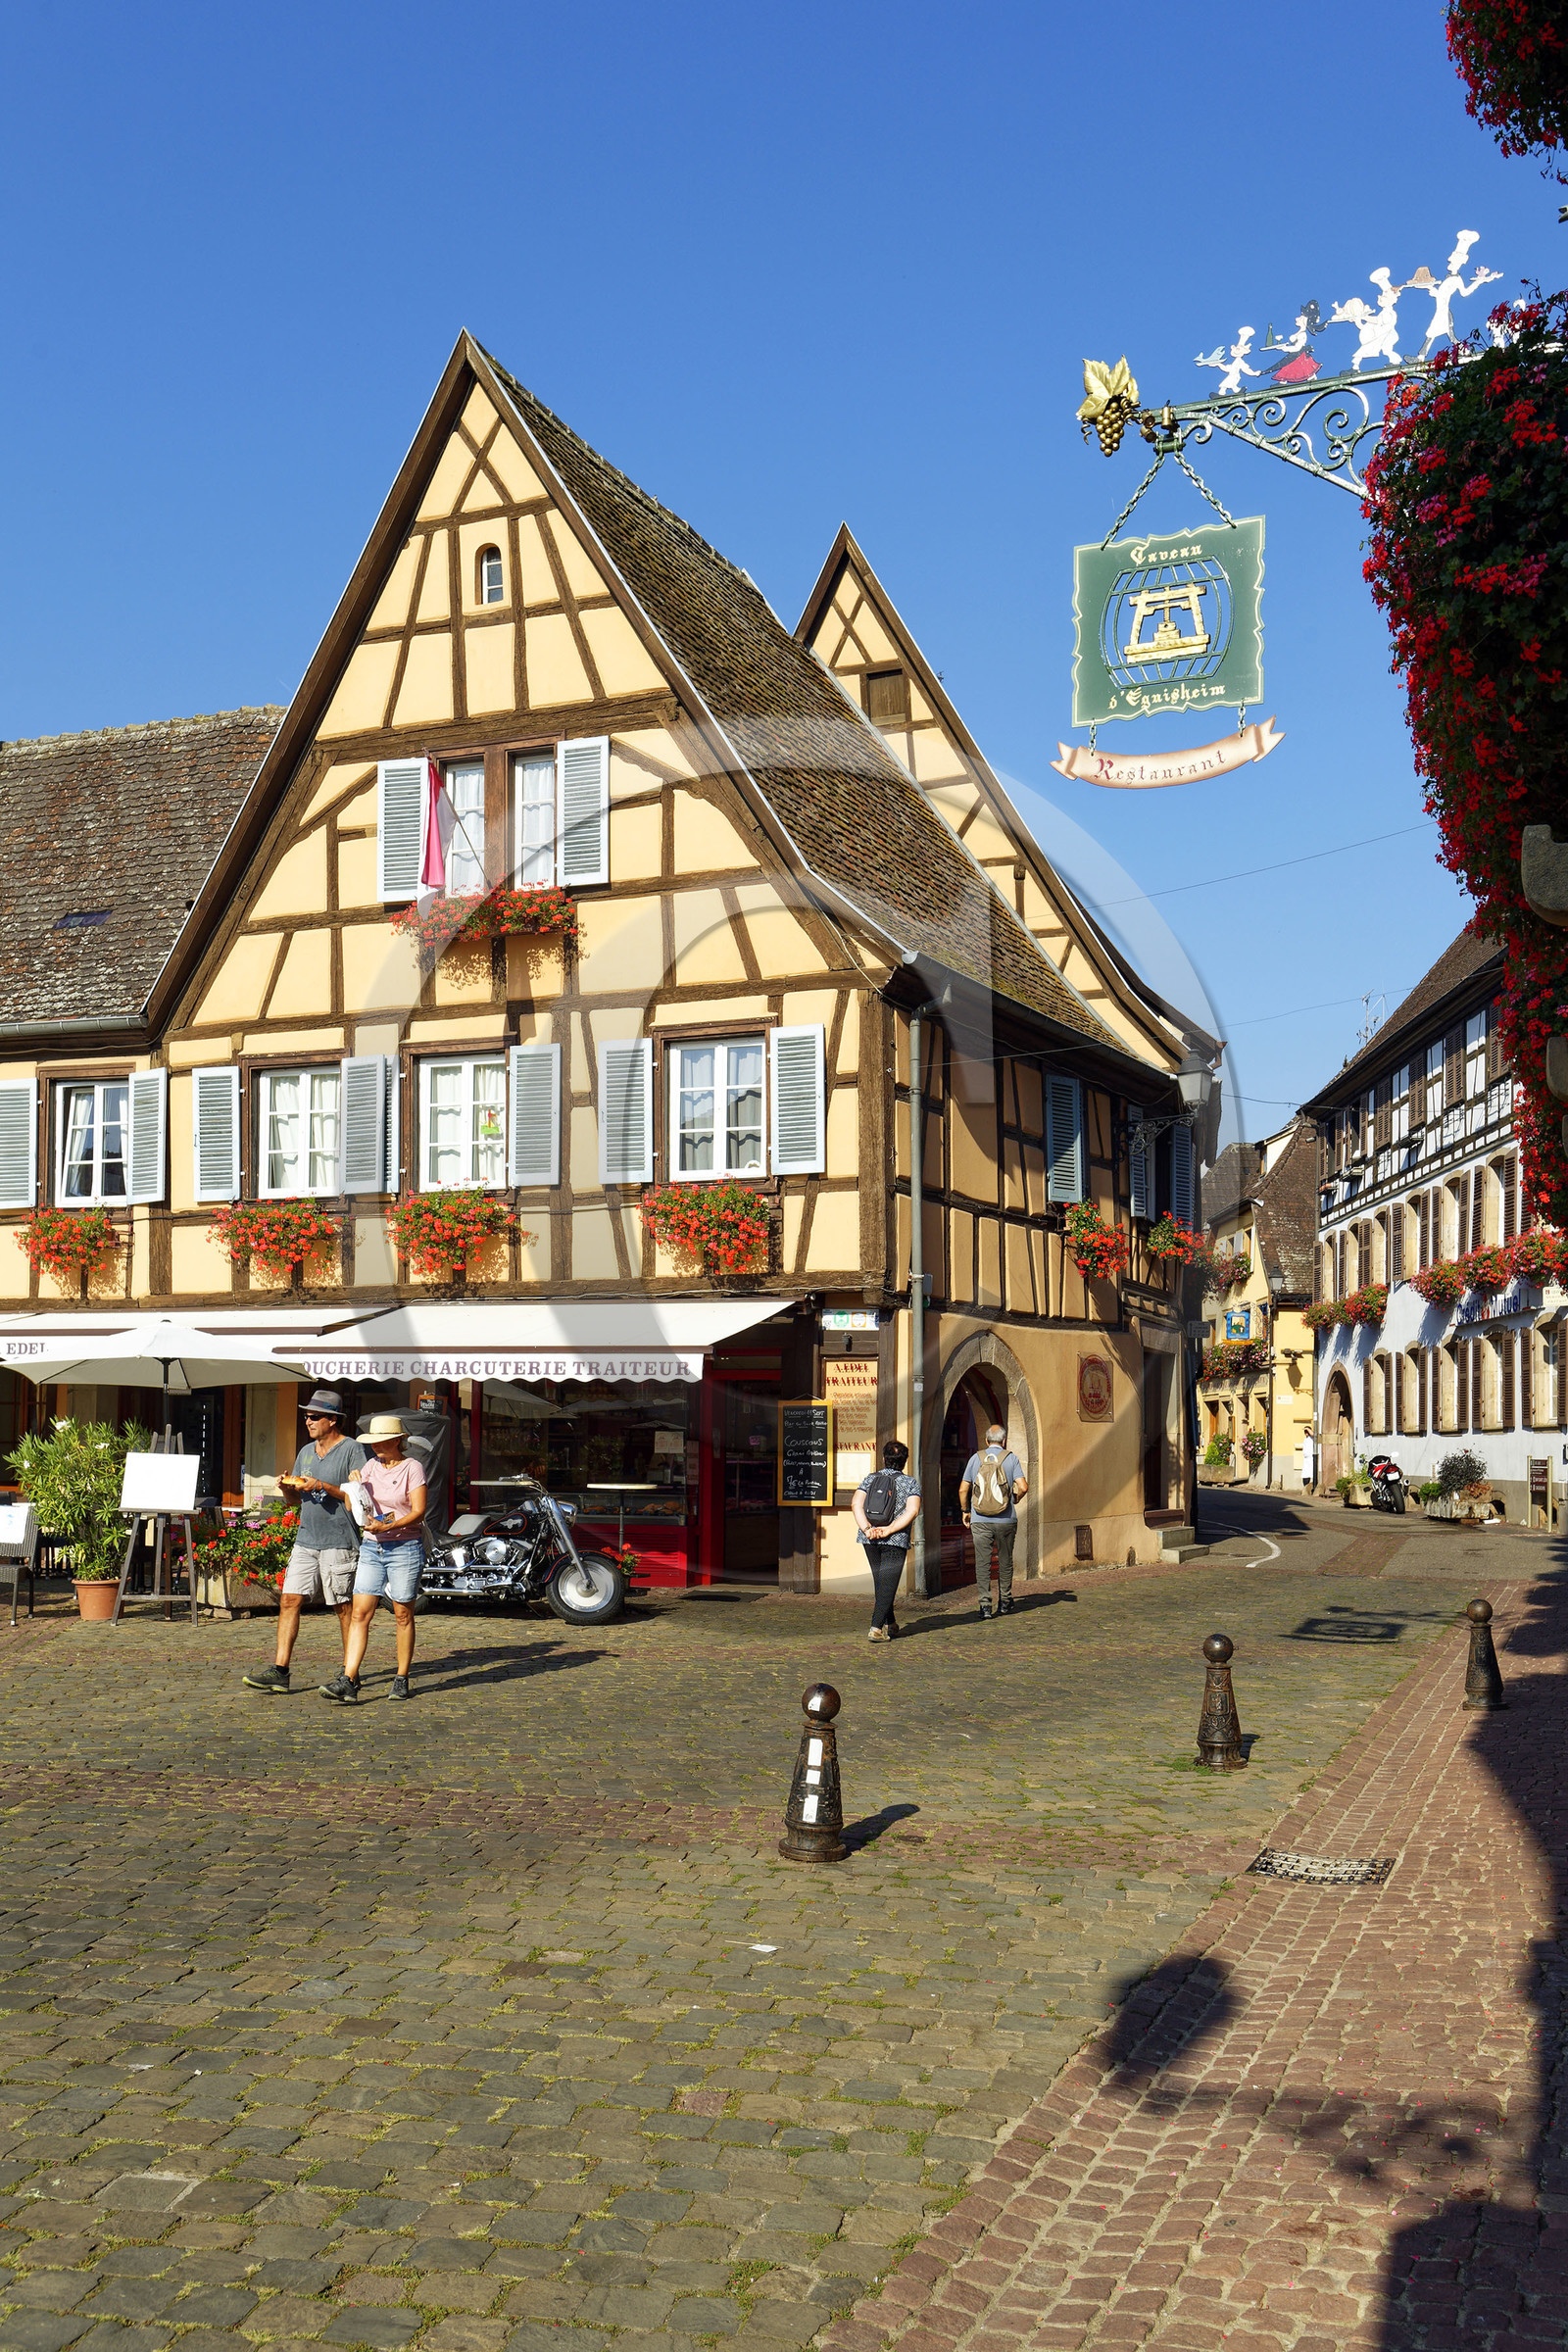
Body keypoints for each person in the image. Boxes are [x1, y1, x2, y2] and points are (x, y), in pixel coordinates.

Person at [243, 1391, 367, 1694]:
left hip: (339, 1539)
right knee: (289, 1601)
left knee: (341, 1606)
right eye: (306, 1415)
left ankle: (349, 1671)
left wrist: (323, 1485)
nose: (307, 1420)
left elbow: (359, 1497)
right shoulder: (305, 1452)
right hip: (305, 1539)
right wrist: (287, 1487)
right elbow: (296, 1500)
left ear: (332, 1419)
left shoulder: (352, 1450)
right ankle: (280, 1670)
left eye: (314, 1416)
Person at [322, 1414, 427, 1704]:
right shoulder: (369, 1466)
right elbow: (353, 1505)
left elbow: (419, 1510)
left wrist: (389, 1526)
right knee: (360, 1613)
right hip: (372, 1546)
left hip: (404, 1546)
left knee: (403, 1614)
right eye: (374, 1441)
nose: (377, 1446)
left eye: (382, 1441)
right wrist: (351, 1486)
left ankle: (402, 1677)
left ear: (397, 1441)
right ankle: (349, 1679)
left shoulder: (412, 1468)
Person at [850, 1439, 921, 1642]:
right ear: (904, 1461)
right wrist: (889, 1529)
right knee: (887, 1583)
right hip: (895, 1539)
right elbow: (913, 1510)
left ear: (883, 1458)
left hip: (869, 1537)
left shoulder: (870, 1479)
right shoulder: (910, 1482)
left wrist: (868, 1529)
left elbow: (856, 1504)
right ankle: (876, 1628)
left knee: (881, 1582)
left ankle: (891, 1622)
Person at [959, 1422, 1029, 1620]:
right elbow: (1023, 1486)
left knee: (982, 1562)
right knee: (1005, 1561)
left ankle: (985, 1606)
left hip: (980, 1519)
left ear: (986, 1440)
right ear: (1004, 1440)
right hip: (1006, 1519)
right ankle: (1005, 1602)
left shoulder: (975, 1459)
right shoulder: (1011, 1458)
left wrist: (966, 1510)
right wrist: (1015, 1498)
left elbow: (963, 1489)